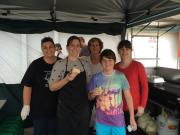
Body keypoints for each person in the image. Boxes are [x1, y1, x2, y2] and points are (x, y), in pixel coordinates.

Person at [49, 36, 91, 135]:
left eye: (77, 46)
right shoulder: (60, 64)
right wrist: (67, 79)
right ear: (67, 47)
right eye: (72, 45)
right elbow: (52, 87)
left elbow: (88, 86)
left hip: (82, 110)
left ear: (81, 48)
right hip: (65, 110)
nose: (75, 48)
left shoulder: (85, 64)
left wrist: (93, 93)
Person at [88, 49, 137, 135]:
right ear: (100, 62)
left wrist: (132, 118)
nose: (107, 63)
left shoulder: (121, 76)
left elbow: (128, 97)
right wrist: (93, 94)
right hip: (101, 121)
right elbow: (89, 97)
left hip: (118, 121)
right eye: (104, 60)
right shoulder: (95, 78)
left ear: (114, 61)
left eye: (110, 60)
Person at [20, 37, 59, 135]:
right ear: (42, 50)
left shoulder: (62, 63)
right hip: (39, 111)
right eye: (45, 47)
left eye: (51, 47)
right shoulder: (35, 64)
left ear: (55, 48)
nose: (48, 49)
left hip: (58, 110)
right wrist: (26, 105)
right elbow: (27, 86)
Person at [114, 40, 148, 135]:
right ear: (118, 51)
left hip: (134, 108)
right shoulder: (115, 67)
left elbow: (144, 86)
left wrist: (142, 105)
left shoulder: (138, 66)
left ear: (131, 50)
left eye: (127, 49)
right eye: (122, 49)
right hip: (118, 108)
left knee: (131, 131)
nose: (124, 51)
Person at [81, 37, 103, 131]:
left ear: (100, 47)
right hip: (87, 93)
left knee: (100, 118)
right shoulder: (83, 59)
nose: (94, 47)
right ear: (89, 47)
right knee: (86, 116)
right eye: (92, 45)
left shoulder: (104, 60)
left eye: (97, 45)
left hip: (101, 94)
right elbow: (71, 60)